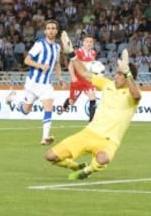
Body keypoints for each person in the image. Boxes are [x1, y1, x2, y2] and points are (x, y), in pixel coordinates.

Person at [45, 31, 141, 180]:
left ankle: (87, 171)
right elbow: (84, 73)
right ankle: (76, 166)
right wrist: (72, 54)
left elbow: (137, 95)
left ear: (129, 77)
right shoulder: (107, 84)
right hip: (89, 133)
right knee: (50, 156)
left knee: (103, 159)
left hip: (108, 140)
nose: (116, 76)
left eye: (120, 74)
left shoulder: (131, 93)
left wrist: (127, 73)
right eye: (116, 73)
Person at [6, 20, 65, 145]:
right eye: (48, 28)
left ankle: (45, 138)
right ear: (45, 31)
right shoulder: (39, 44)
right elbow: (27, 60)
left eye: (53, 28)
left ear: (56, 31)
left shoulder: (57, 47)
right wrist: (40, 66)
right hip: (33, 84)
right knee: (26, 110)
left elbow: (57, 64)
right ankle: (13, 99)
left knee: (48, 108)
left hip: (46, 85)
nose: (51, 30)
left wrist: (60, 78)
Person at [62, 34, 98, 121]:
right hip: (78, 80)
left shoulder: (93, 53)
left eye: (91, 42)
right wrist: (73, 76)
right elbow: (71, 66)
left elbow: (92, 66)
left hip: (87, 80)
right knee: (72, 101)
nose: (89, 43)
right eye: (87, 41)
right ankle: (66, 103)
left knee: (93, 98)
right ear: (83, 43)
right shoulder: (78, 52)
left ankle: (91, 120)